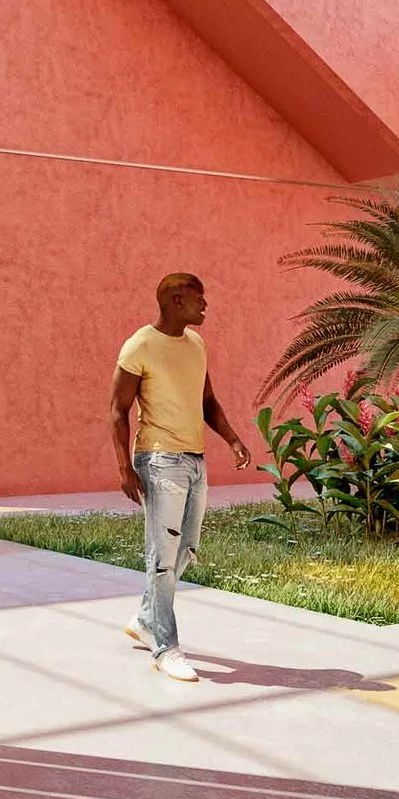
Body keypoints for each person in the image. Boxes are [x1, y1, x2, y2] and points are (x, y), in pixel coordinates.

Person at [111, 271, 251, 683]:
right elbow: (117, 410)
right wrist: (124, 467)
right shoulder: (139, 346)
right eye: (198, 298)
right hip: (159, 461)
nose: (205, 304)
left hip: (194, 460)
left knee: (187, 547)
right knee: (162, 556)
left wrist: (233, 439)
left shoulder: (196, 344)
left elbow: (207, 400)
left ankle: (145, 618)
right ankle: (165, 648)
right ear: (176, 301)